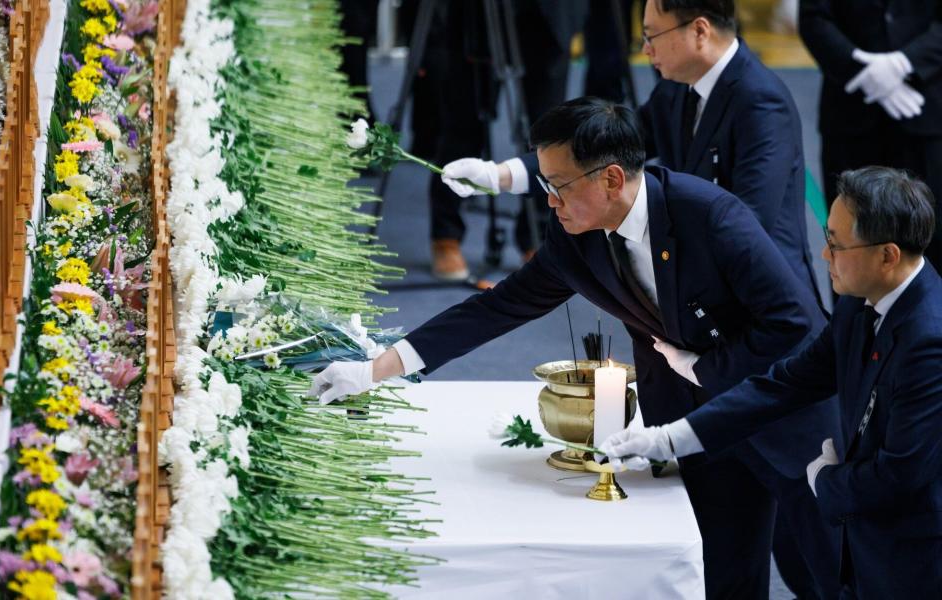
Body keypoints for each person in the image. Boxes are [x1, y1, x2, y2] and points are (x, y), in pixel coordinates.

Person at [310, 97, 838, 599]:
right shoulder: (575, 235)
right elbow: (500, 307)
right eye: (544, 183)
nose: (549, 199)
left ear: (611, 178)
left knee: (823, 574)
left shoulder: (711, 217)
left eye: (559, 184)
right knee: (721, 574)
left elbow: (793, 326)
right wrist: (379, 367)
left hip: (780, 415)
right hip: (694, 423)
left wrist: (706, 368)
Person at [600, 166, 941, 599]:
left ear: (888, 255)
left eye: (836, 244)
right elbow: (786, 383)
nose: (823, 255)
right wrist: (670, 440)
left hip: (915, 559)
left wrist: (825, 480)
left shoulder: (930, 339)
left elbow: (901, 473)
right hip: (872, 541)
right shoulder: (861, 303)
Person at [446, 0, 821, 302]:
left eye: (653, 35)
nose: (645, 49)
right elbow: (603, 147)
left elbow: (749, 222)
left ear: (700, 31)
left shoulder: (760, 102)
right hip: (705, 287)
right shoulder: (678, 87)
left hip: (764, 299)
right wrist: (500, 175)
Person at [419, 0, 588, 281]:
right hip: (477, 15)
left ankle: (540, 236)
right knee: (462, 122)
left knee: (550, 128)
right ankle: (446, 234)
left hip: (551, 12)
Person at [799, 0, 942, 270]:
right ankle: (852, 314)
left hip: (927, 108)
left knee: (931, 238)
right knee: (850, 236)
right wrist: (863, 71)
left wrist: (903, 63)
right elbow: (813, 18)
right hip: (850, 109)